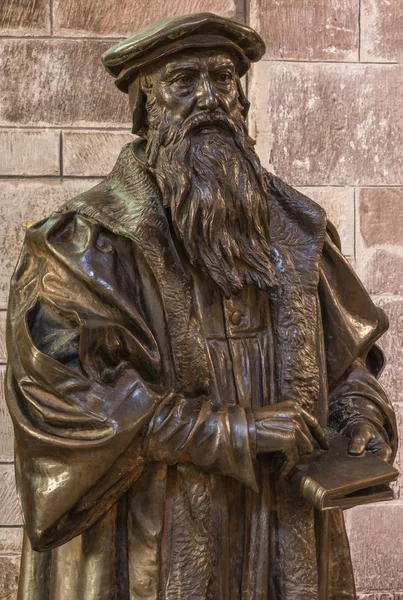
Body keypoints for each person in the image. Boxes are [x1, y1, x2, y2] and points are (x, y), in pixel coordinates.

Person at [6, 12, 397, 600]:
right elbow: (72, 404)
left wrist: (359, 418)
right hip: (149, 538)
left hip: (282, 531)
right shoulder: (83, 246)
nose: (209, 99)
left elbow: (347, 366)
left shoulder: (297, 232)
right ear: (145, 107)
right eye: (183, 81)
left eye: (224, 79)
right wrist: (236, 431)